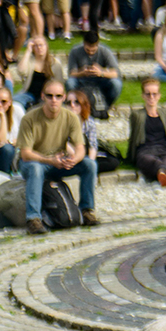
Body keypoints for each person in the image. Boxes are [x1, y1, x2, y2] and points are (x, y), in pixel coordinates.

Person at [17, 80, 98, 235]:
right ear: (42, 96)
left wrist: (74, 159)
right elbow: (25, 154)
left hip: (58, 162)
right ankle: (33, 219)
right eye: (50, 96)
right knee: (35, 168)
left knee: (89, 164)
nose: (54, 100)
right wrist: (49, 160)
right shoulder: (30, 118)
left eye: (58, 96)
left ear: (64, 97)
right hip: (36, 162)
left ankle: (87, 210)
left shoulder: (71, 118)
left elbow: (81, 148)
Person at [126, 79, 166, 186]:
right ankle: (162, 172)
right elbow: (133, 136)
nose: (151, 97)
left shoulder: (164, 113)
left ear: (159, 95)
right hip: (146, 148)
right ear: (143, 96)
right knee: (148, 160)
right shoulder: (137, 115)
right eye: (148, 94)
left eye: (154, 94)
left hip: (164, 147)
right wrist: (130, 155)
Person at [66, 31, 122, 111]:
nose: (91, 53)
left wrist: (101, 72)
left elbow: (116, 73)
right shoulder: (75, 51)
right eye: (88, 50)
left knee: (116, 84)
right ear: (84, 43)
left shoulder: (105, 51)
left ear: (98, 44)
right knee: (70, 83)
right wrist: (82, 72)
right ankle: (77, 105)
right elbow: (71, 74)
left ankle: (106, 106)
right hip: (82, 79)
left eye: (93, 50)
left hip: (101, 79)